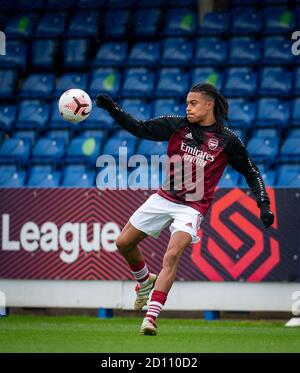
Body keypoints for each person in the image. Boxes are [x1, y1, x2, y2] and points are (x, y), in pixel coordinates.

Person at [96, 83, 274, 336]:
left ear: (209, 104)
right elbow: (139, 128)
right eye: (187, 103)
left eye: (193, 103)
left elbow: (251, 172)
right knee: (123, 243)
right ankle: (145, 281)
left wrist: (263, 204)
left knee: (172, 255)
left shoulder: (228, 140)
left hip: (192, 207)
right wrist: (113, 109)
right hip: (164, 197)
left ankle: (151, 318)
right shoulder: (177, 125)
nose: (187, 108)